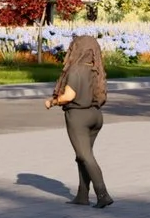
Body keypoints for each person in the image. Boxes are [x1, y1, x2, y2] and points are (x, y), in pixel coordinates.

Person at [46, 33, 111, 207]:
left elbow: (69, 96)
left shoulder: (75, 70)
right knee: (82, 156)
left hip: (78, 117)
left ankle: (103, 194)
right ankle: (82, 195)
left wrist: (52, 102)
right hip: (95, 115)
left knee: (85, 156)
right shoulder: (95, 70)